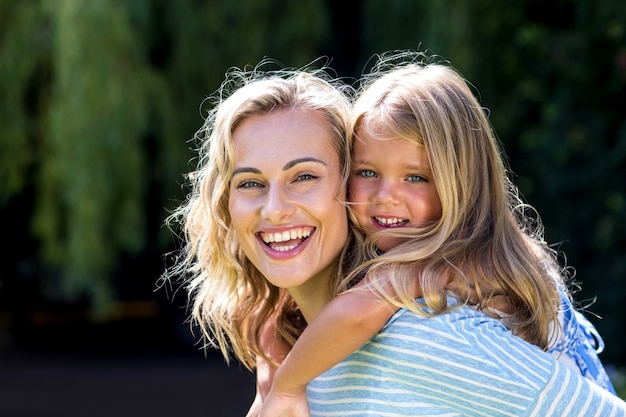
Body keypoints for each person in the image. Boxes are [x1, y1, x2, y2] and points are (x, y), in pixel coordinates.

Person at [162, 59, 626, 417]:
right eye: (249, 183)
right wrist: (274, 376)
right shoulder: (304, 338)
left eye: (304, 176)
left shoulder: (423, 325)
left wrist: (283, 386)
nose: (276, 207)